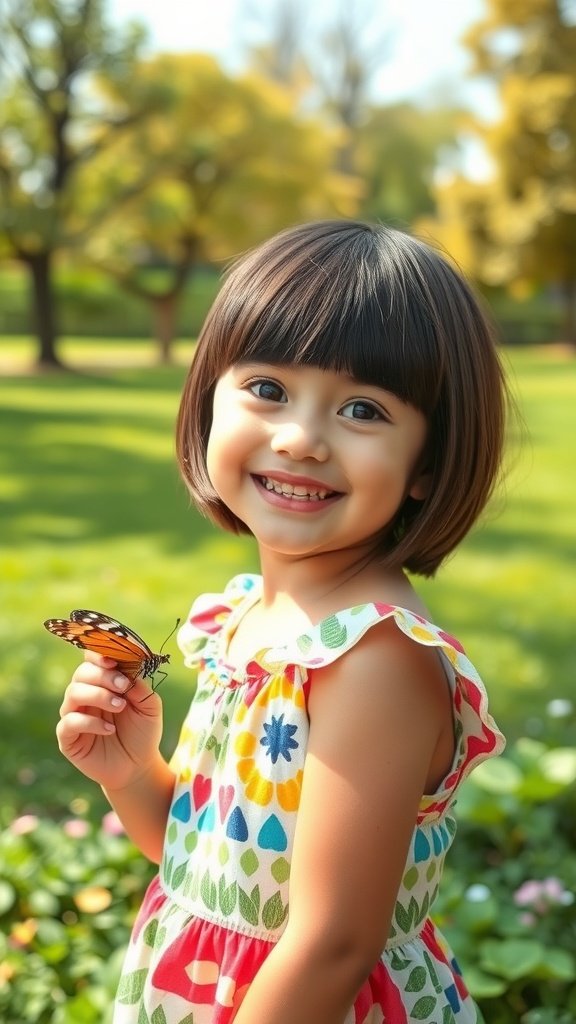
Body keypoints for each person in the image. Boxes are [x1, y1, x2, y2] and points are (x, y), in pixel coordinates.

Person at [57, 219, 509, 1024]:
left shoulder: (372, 658)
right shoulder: (247, 619)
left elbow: (333, 944)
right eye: (267, 390)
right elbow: (217, 869)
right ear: (209, 400)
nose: (300, 440)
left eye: (363, 409)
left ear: (429, 462)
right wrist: (130, 775)